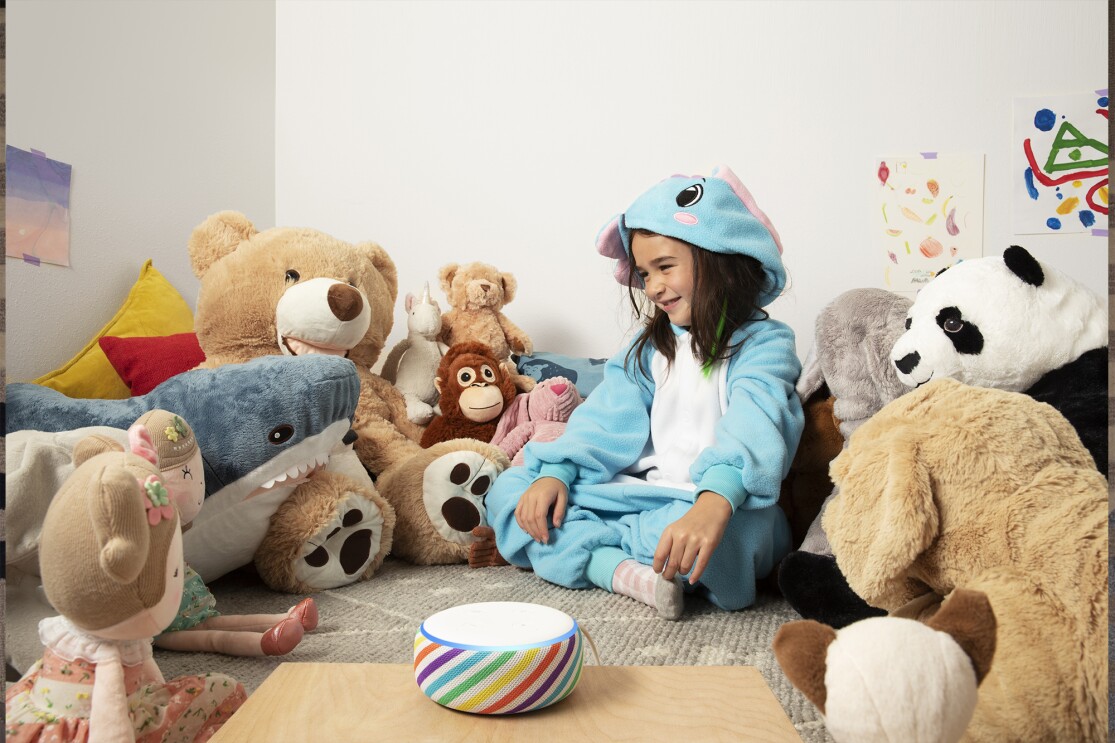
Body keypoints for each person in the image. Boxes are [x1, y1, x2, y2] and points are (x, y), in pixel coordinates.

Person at [475, 165, 804, 619]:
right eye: (644, 273)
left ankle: (593, 552)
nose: (652, 287)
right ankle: (618, 569)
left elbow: (758, 422)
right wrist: (559, 472)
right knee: (512, 491)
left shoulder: (766, 344)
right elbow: (606, 418)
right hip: (640, 493)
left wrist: (714, 501)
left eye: (665, 268)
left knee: (737, 535)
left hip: (716, 501)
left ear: (720, 258)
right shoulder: (647, 347)